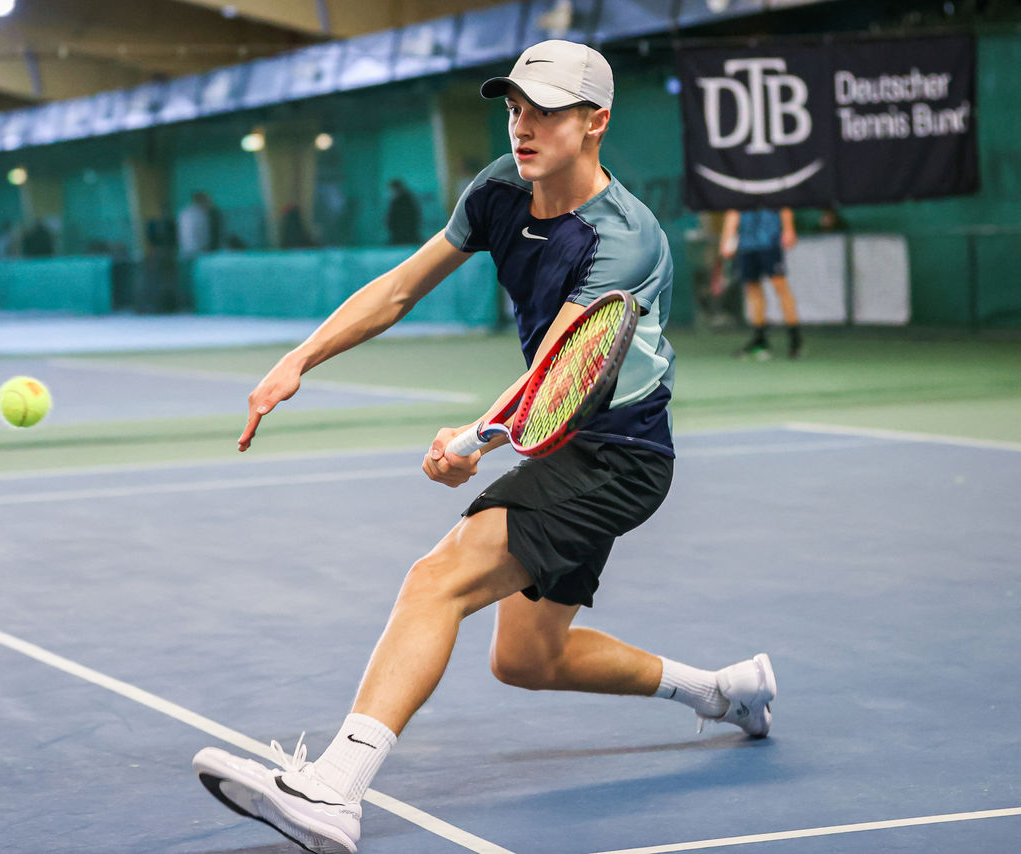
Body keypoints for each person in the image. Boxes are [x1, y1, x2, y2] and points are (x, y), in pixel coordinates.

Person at [193, 40, 777, 854]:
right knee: (526, 659)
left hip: (619, 453)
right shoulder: (502, 188)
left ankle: (333, 791)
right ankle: (724, 693)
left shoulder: (626, 240)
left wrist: (470, 442)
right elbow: (401, 286)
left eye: (545, 110)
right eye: (514, 108)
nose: (523, 126)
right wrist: (298, 359)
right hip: (564, 441)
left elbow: (558, 369)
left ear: (596, 121)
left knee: (437, 579)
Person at [720, 207, 802, 359]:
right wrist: (727, 237)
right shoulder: (740, 186)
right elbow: (733, 209)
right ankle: (760, 341)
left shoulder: (771, 184)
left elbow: (784, 205)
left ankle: (795, 340)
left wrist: (789, 229)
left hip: (769, 244)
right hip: (747, 245)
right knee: (753, 290)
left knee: (780, 287)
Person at [384, 178, 420, 245]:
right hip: (400, 234)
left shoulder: (405, 201)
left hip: (404, 234)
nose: (391, 192)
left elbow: (409, 218)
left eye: (393, 190)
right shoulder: (397, 201)